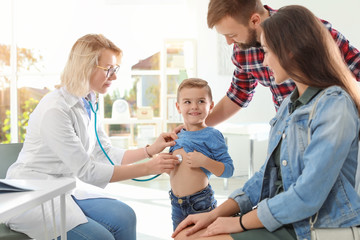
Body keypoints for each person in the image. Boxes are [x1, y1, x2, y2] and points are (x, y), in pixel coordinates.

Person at [172, 5, 360, 240]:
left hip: (312, 225)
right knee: (186, 235)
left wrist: (238, 222)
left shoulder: (333, 105)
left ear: (290, 52)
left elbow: (306, 196)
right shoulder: (287, 106)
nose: (265, 62)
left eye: (268, 52)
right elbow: (266, 175)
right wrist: (214, 215)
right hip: (285, 214)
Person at [5, 34, 180, 240]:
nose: (114, 77)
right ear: (85, 67)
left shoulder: (88, 101)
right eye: (109, 70)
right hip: (32, 195)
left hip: (63, 189)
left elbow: (104, 152)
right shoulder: (55, 110)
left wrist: (150, 150)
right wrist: (148, 167)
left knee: (125, 216)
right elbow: (87, 171)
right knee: (100, 237)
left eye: (115, 70)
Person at [204, 0, 360, 127]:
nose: (230, 42)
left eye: (232, 34)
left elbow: (357, 66)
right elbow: (238, 94)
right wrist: (197, 126)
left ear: (254, 20)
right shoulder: (242, 50)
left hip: (324, 125)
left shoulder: (304, 29)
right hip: (288, 131)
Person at [169, 78, 234, 230]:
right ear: (178, 107)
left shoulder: (212, 135)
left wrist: (205, 161)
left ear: (211, 106)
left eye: (201, 101)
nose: (194, 107)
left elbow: (229, 170)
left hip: (200, 203)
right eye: (187, 102)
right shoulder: (177, 134)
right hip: (175, 202)